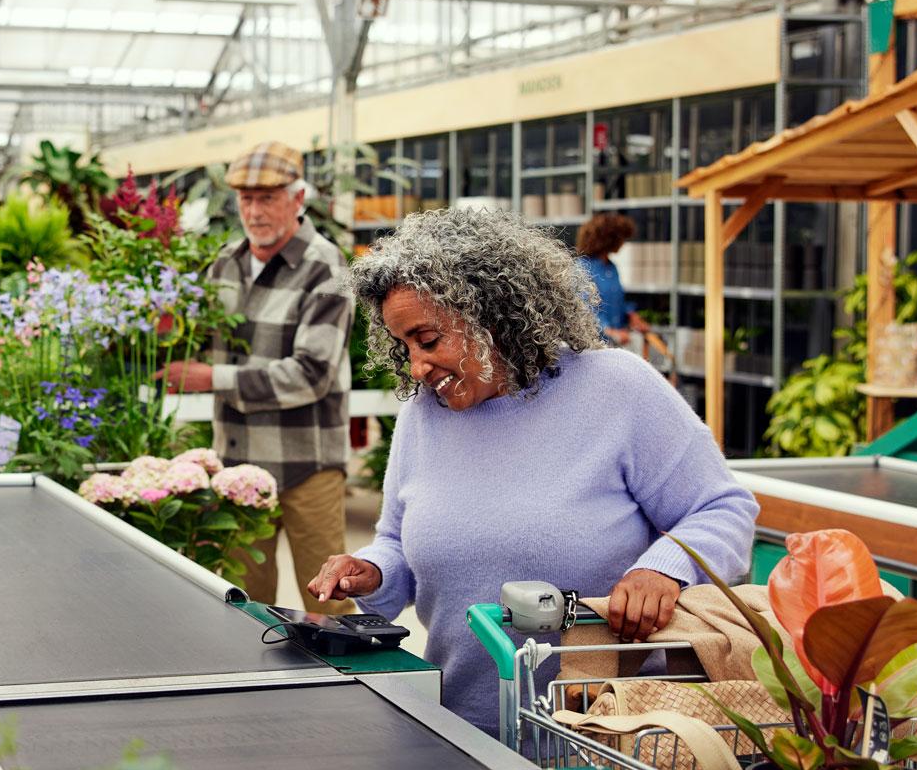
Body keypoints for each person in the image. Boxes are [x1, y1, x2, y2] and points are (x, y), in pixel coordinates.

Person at [306, 207, 756, 738]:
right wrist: (373, 571)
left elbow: (723, 509)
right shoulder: (422, 414)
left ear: (492, 313)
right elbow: (397, 542)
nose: (416, 367)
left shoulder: (617, 389)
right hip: (461, 726)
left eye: (428, 340)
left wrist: (662, 569)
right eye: (403, 346)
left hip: (608, 735)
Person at [156, 141, 354, 615]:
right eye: (246, 198)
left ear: (298, 199)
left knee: (328, 606)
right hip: (239, 465)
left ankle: (339, 690)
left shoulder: (326, 266)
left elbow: (311, 374)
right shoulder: (225, 263)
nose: (254, 210)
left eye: (267, 198)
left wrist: (212, 377)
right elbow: (193, 339)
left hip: (307, 465)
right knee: (244, 607)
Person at [575, 212, 653, 344]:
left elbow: (616, 301)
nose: (623, 243)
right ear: (608, 239)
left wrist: (631, 316)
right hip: (593, 345)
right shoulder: (582, 268)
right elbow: (585, 309)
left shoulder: (611, 267)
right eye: (621, 238)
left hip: (613, 344)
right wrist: (609, 331)